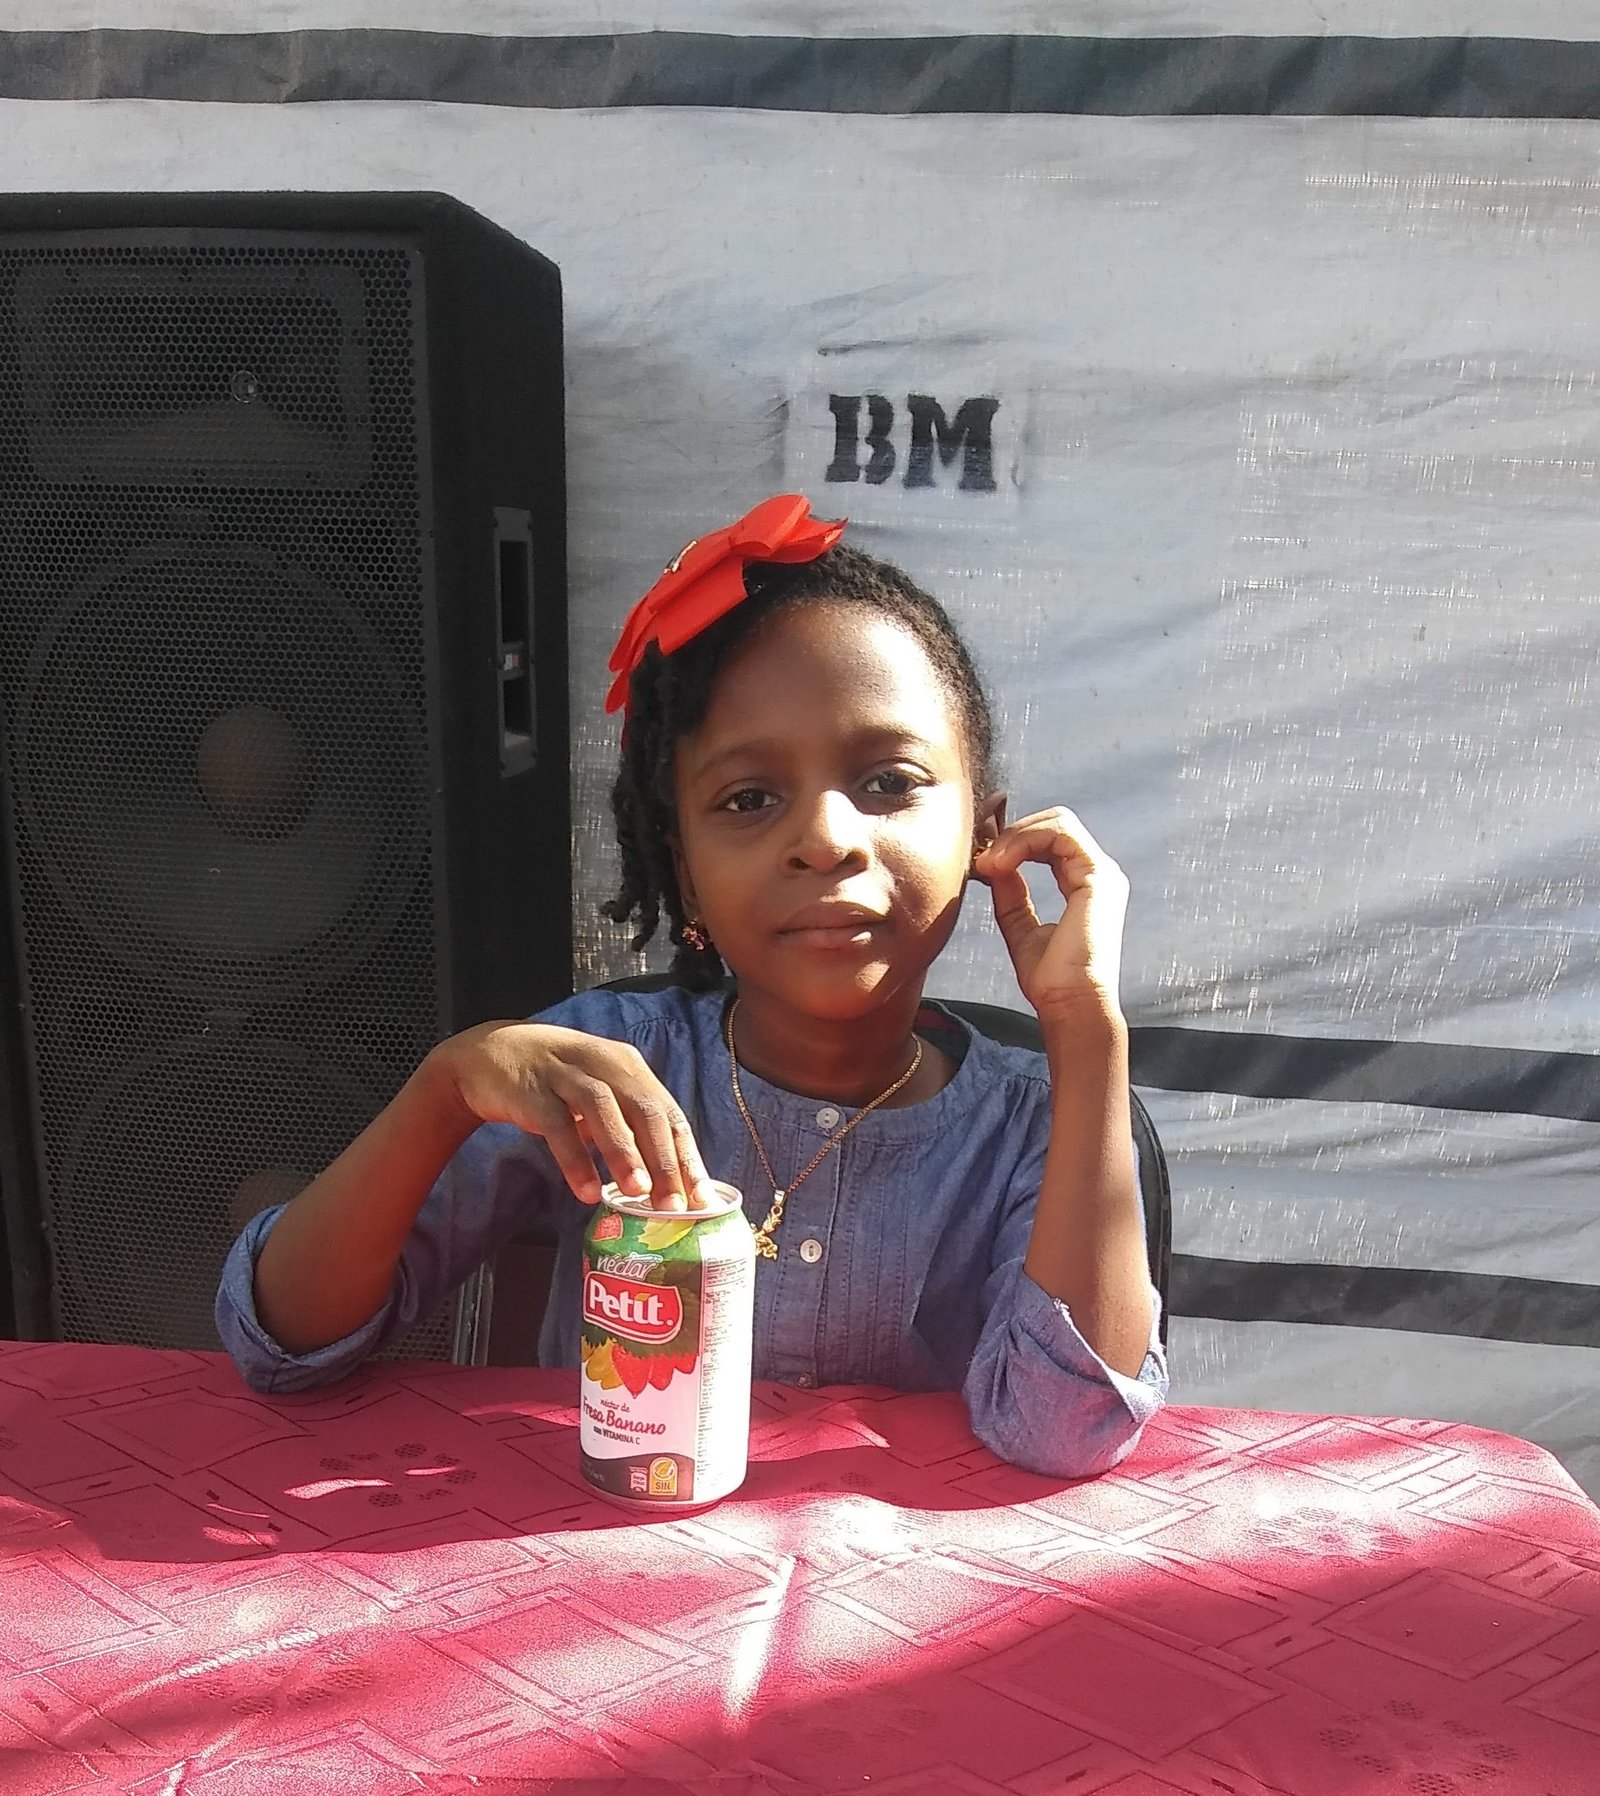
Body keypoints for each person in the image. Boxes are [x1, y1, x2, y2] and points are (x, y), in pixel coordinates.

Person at [217, 494, 1167, 1476]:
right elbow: (279, 1337)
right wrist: (446, 1088)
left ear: (984, 835)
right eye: (749, 798)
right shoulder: (596, 1074)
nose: (825, 839)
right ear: (685, 872)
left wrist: (1087, 1029)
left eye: (887, 781)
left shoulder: (1034, 1127)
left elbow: (1064, 1429)